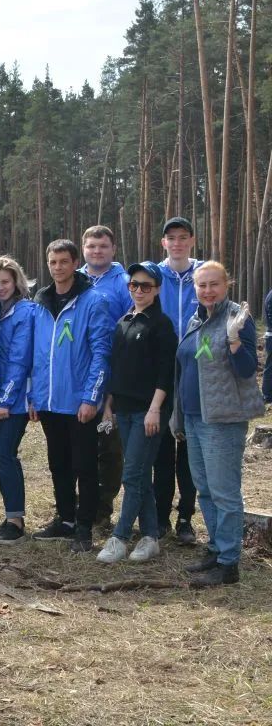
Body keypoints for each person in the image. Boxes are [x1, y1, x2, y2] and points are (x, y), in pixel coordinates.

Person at [170, 262, 261, 585]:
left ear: (227, 284)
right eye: (202, 285)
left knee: (224, 493)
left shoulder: (238, 318)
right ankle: (215, 549)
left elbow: (248, 369)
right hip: (195, 418)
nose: (207, 290)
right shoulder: (197, 318)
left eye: (213, 285)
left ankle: (228, 563)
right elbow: (185, 368)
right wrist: (178, 415)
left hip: (222, 420)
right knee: (205, 490)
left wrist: (235, 341)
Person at [29, 239, 113, 552]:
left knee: (84, 466)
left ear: (75, 263)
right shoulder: (40, 302)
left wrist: (91, 398)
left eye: (64, 261)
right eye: (53, 262)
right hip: (49, 401)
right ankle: (63, 519)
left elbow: (101, 353)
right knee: (58, 463)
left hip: (79, 403)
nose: (58, 267)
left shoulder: (93, 301)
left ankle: (83, 527)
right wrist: (34, 395)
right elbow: (36, 352)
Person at [97, 261, 176, 564]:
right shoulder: (124, 321)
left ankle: (119, 536)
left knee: (132, 475)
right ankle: (151, 536)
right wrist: (108, 406)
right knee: (139, 474)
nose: (139, 290)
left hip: (148, 411)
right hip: (124, 410)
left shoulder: (161, 324)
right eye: (134, 285)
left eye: (146, 285)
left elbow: (165, 372)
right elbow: (117, 369)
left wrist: (155, 409)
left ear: (156, 289)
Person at [0, 255, 35, 544]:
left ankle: (16, 519)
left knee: (5, 454)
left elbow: (19, 359)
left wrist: (4, 401)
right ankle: (8, 513)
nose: (0, 287)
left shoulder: (25, 312)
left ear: (16, 282)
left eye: (5, 282)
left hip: (12, 401)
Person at [156, 217, 203, 545]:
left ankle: (185, 517)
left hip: (195, 371)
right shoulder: (154, 274)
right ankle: (159, 517)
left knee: (187, 449)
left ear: (191, 240)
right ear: (163, 242)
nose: (177, 243)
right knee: (160, 449)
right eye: (171, 238)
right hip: (159, 372)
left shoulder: (203, 274)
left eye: (182, 237)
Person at [80, 225, 128, 532]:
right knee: (80, 448)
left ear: (113, 249)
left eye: (103, 246)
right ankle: (78, 506)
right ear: (84, 249)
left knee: (109, 447)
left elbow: (127, 333)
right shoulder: (74, 280)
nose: (97, 251)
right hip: (78, 380)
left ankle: (102, 510)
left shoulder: (124, 284)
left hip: (112, 382)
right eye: (92, 246)